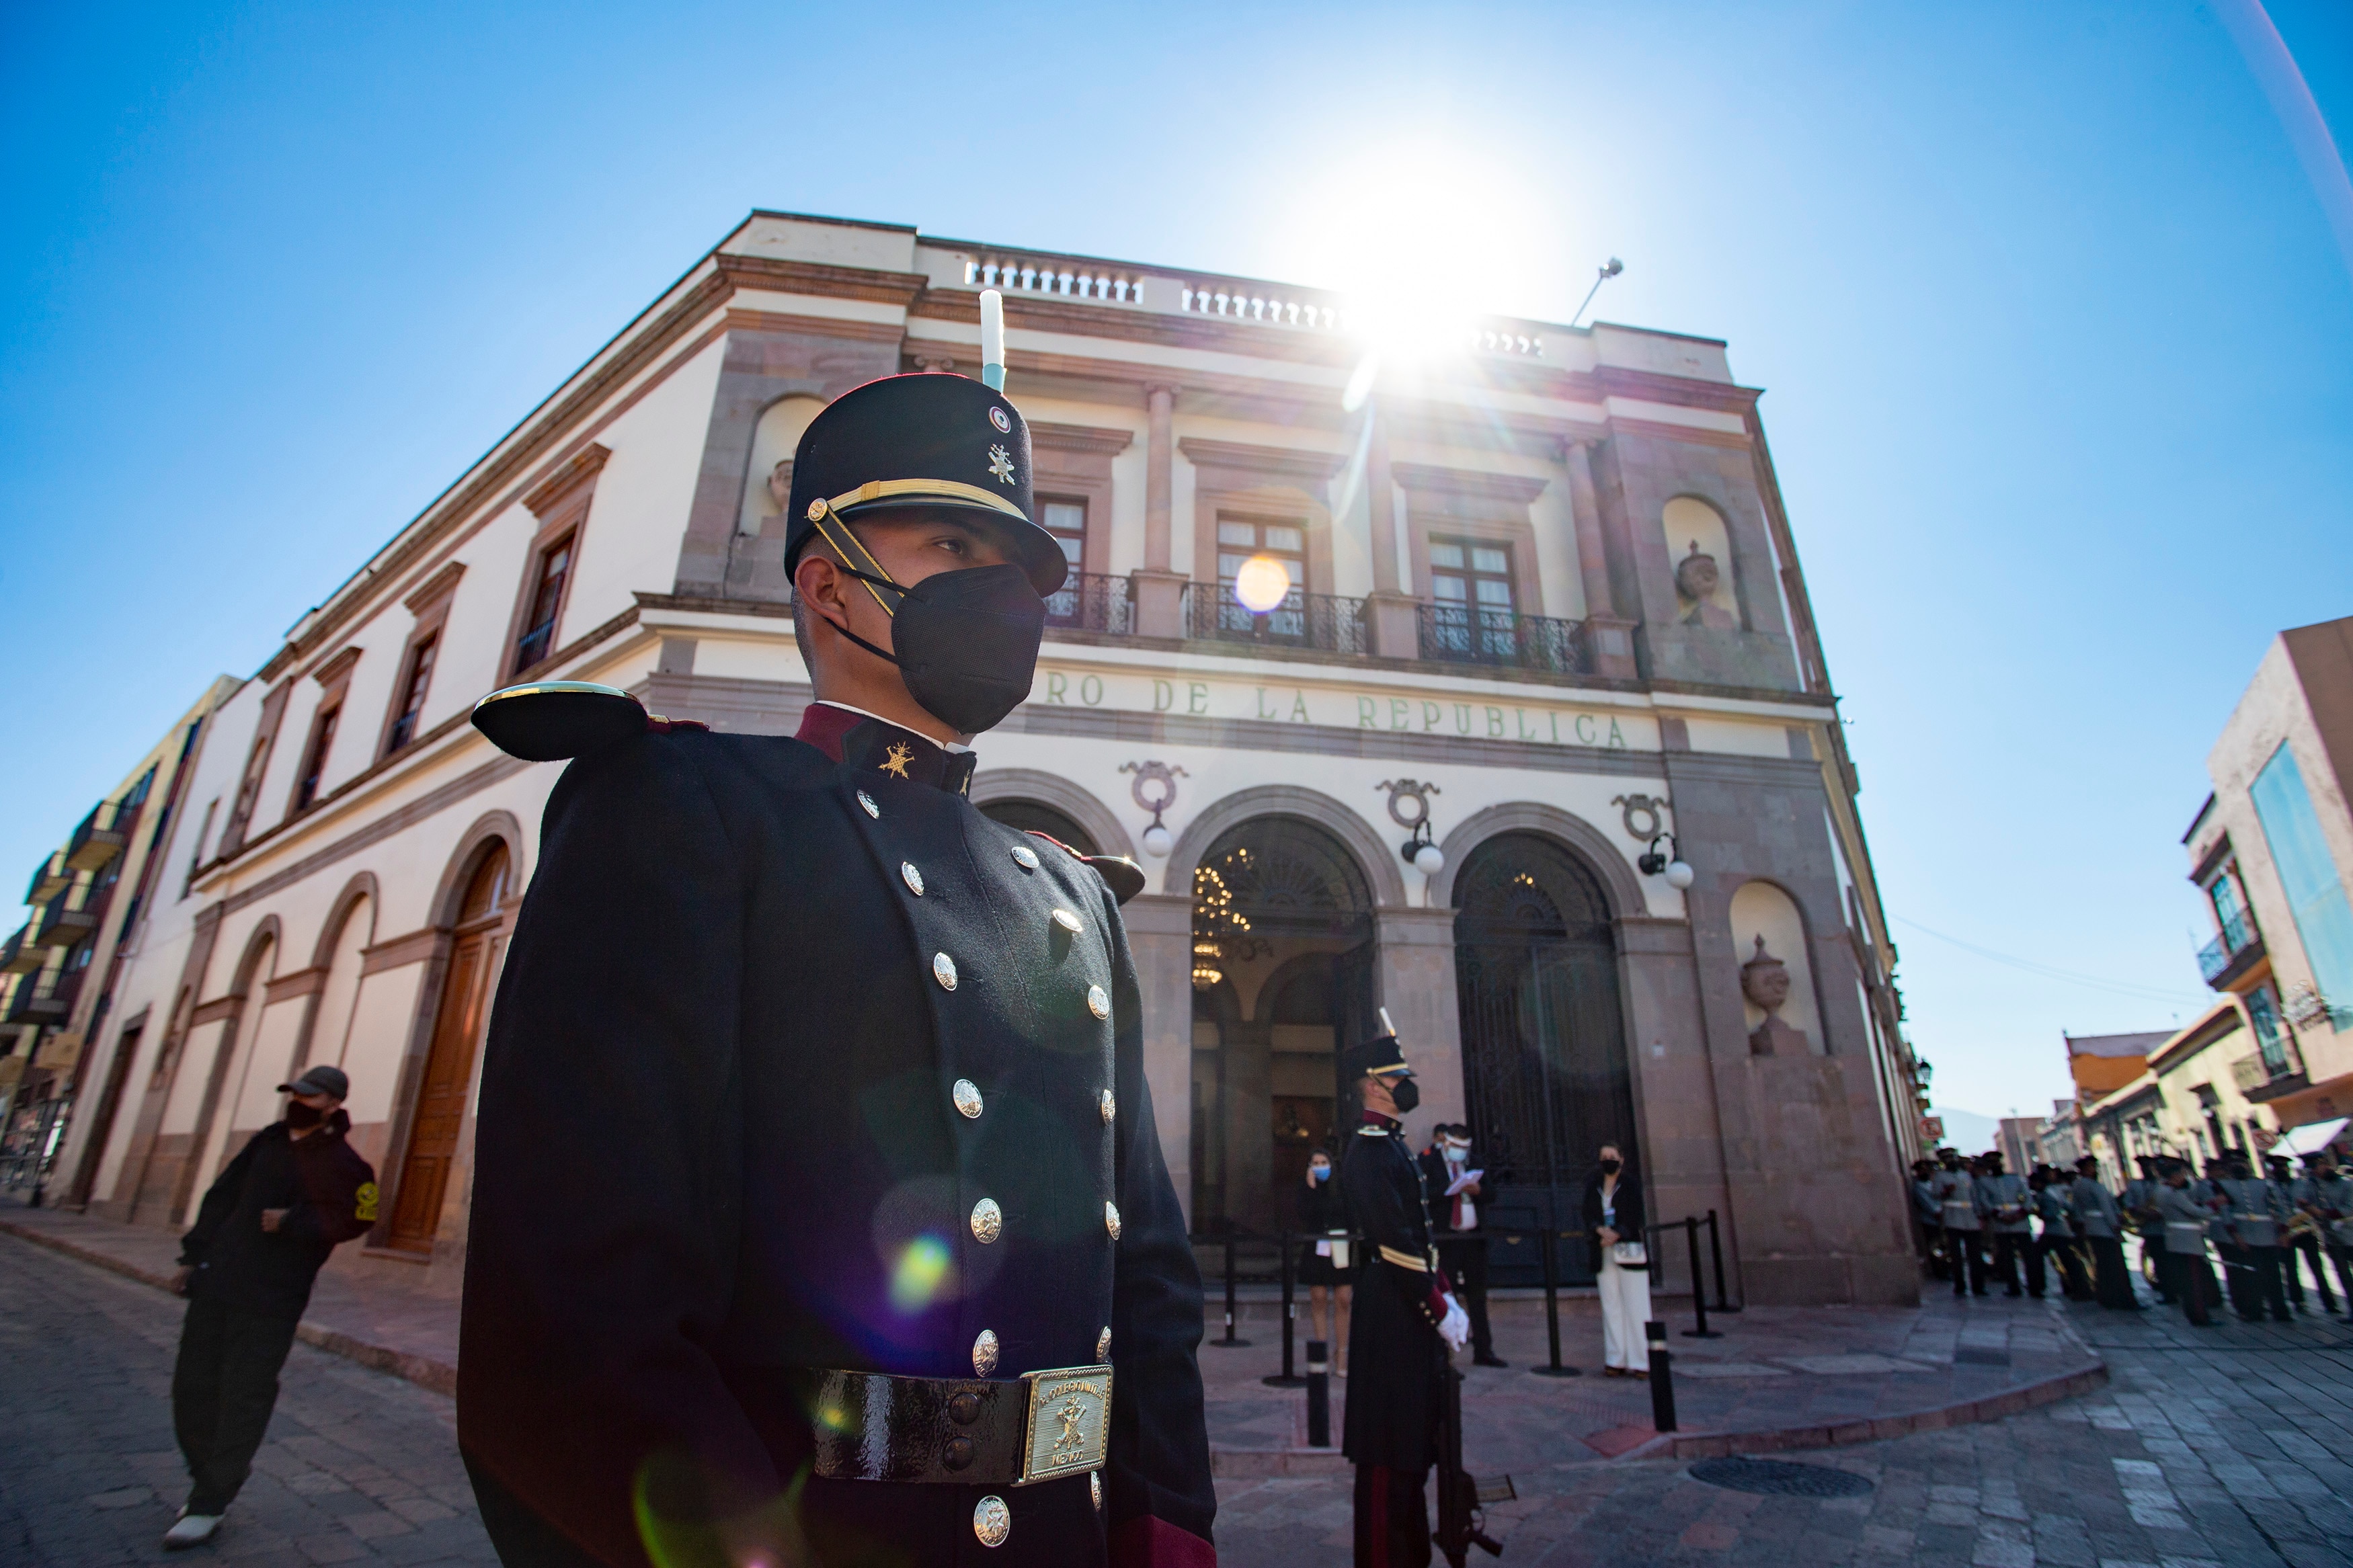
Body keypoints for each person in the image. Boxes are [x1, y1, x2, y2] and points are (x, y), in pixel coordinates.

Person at [458, 373, 1215, 1567]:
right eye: (955, 543)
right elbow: (579, 1321)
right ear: (829, 582)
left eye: (1022, 569)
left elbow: (1153, 1275)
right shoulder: (683, 812)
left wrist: (1169, 1526)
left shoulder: (1075, 895)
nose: (1004, 595)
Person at [162, 1065, 376, 1550]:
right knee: (192, 1389)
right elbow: (221, 1198)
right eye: (294, 1091)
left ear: (333, 1105)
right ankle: (205, 1477)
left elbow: (359, 1215)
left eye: (309, 1095)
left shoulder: (347, 1164)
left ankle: (210, 1500)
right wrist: (193, 1256)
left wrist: (294, 1221)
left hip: (271, 1299)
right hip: (218, 1285)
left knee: (245, 1395)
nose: (297, 1100)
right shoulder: (266, 1143)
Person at [1339, 1027, 1469, 1568]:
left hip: (1407, 1306)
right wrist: (1437, 1306)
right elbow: (1395, 1241)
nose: (1405, 1086)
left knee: (1413, 1451)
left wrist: (1444, 1297)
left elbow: (1420, 1240)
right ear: (1372, 1086)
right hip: (1390, 1311)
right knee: (1388, 1458)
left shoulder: (1392, 1144)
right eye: (1396, 1078)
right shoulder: (1368, 1151)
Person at [1419, 1124, 1505, 1368]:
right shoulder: (1430, 1162)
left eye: (1464, 1148)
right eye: (1456, 1146)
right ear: (1446, 1143)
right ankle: (1443, 1352)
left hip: (1472, 1239)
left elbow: (1491, 1193)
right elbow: (1423, 1194)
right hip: (1447, 1239)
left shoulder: (1475, 1162)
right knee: (1446, 1295)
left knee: (1477, 1295)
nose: (1460, 1152)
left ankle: (1484, 1350)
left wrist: (1477, 1189)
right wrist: (1449, 1189)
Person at [1584, 1143, 1651, 1377]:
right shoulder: (1594, 1185)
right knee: (1611, 1304)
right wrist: (1600, 1230)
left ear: (1621, 1159)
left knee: (1636, 1304)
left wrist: (1618, 1232)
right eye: (1604, 1157)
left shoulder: (1630, 1185)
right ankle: (1616, 1358)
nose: (1608, 1160)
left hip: (1627, 1248)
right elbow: (1588, 1213)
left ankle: (1641, 1360)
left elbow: (1636, 1214)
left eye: (1612, 1156)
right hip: (1603, 1250)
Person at [2216, 1153, 2292, 1323]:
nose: (2240, 1167)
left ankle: (2280, 1311)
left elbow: (2280, 1208)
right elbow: (2226, 1213)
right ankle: (2254, 1310)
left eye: (2242, 1163)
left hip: (2268, 1235)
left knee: (2274, 1275)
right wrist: (2235, 1235)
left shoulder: (2264, 1184)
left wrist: (2284, 1232)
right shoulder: (2224, 1186)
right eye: (2235, 1164)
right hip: (2245, 1235)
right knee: (2250, 1277)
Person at [1299, 1146, 1353, 1376]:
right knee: (1318, 1298)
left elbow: (1350, 1213)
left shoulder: (1342, 1187)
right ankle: (1321, 1351)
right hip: (1317, 1246)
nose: (1320, 1167)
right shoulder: (1307, 1188)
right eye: (1316, 1163)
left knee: (1343, 1299)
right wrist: (1311, 1188)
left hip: (1340, 1246)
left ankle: (1342, 1352)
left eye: (1324, 1162)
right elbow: (1305, 1214)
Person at [2151, 1157, 2220, 1327]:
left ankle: (2196, 1314)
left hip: (2176, 1239)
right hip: (2187, 1240)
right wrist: (2214, 1205)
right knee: (2194, 1282)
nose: (2184, 1178)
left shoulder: (2161, 1191)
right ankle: (2200, 1316)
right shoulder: (2173, 1194)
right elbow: (2195, 1212)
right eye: (2182, 1175)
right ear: (2174, 1177)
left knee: (2188, 1280)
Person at [2070, 1155, 2140, 1311]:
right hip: (2104, 1228)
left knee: (2102, 1265)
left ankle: (2106, 1296)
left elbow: (2076, 1209)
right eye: (2091, 1167)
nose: (2094, 1170)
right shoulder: (2096, 1186)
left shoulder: (2077, 1186)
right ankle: (2123, 1299)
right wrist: (2115, 1225)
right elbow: (2106, 1208)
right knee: (2116, 1266)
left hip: (2091, 1227)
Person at [2273, 1154, 2340, 1315]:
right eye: (2277, 1168)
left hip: (2306, 1230)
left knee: (2317, 1268)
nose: (2280, 1170)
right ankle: (2298, 1302)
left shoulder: (2303, 1184)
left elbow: (2313, 1203)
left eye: (2283, 1167)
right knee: (2290, 1268)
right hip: (2286, 1232)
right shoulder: (2271, 1188)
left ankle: (2329, 1303)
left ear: (2288, 1169)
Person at [1977, 1151, 2033, 1298]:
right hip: (2001, 1224)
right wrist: (2000, 1215)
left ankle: (2035, 1286)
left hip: (2020, 1222)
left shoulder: (2015, 1179)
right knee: (2007, 1258)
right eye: (1992, 1163)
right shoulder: (1984, 1182)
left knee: (2029, 1256)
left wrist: (2020, 1214)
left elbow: (2027, 1197)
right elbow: (1984, 1201)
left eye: (1997, 1162)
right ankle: (2014, 1287)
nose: (1995, 1165)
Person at [1931, 1148, 1987, 1296]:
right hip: (1953, 1219)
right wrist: (1946, 1192)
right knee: (1956, 1256)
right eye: (1947, 1159)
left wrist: (1979, 1215)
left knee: (1975, 1254)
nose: (1951, 1161)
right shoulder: (1940, 1177)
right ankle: (1960, 1285)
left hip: (1971, 1218)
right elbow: (1935, 1194)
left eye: (1953, 1158)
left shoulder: (1966, 1176)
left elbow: (1975, 1197)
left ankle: (1978, 1285)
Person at [2030, 1167, 2085, 1301]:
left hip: (2054, 1232)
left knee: (2039, 1255)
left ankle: (2039, 1286)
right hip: (2062, 1230)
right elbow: (2068, 1207)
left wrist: (2040, 1214)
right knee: (2069, 1261)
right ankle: (2076, 1288)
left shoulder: (2046, 1194)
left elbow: (2051, 1214)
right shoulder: (2055, 1191)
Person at [2124, 1155, 2169, 1303]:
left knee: (2170, 1261)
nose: (2146, 1169)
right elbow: (2128, 1204)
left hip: (2166, 1228)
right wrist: (2143, 1212)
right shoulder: (2135, 1185)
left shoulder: (2163, 1184)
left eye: (2149, 1166)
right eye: (2143, 1167)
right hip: (2148, 1228)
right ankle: (2165, 1290)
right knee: (2158, 1261)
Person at [1910, 1159, 1948, 1281]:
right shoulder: (1919, 1187)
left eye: (1927, 1170)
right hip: (1930, 1221)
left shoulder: (1933, 1184)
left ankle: (1946, 1268)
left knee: (1945, 1246)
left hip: (1942, 1220)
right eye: (1922, 1170)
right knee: (1935, 1247)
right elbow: (1927, 1204)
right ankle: (1939, 1270)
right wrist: (1938, 1212)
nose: (1925, 1172)